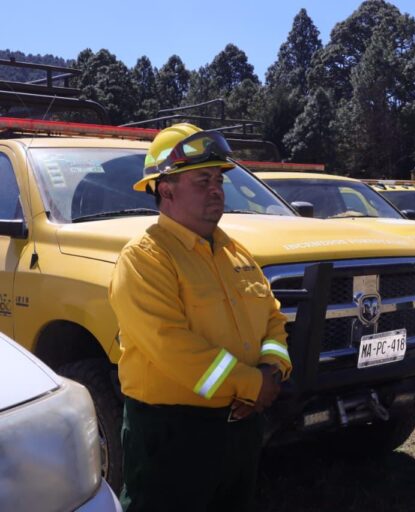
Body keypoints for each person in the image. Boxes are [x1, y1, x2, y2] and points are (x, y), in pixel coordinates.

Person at [109, 123, 291, 511]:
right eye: (202, 179)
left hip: (241, 429)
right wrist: (251, 384)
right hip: (171, 435)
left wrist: (272, 371)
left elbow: (273, 320)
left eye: (219, 180)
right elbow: (172, 346)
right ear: (166, 189)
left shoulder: (236, 253)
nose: (216, 189)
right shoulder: (145, 258)